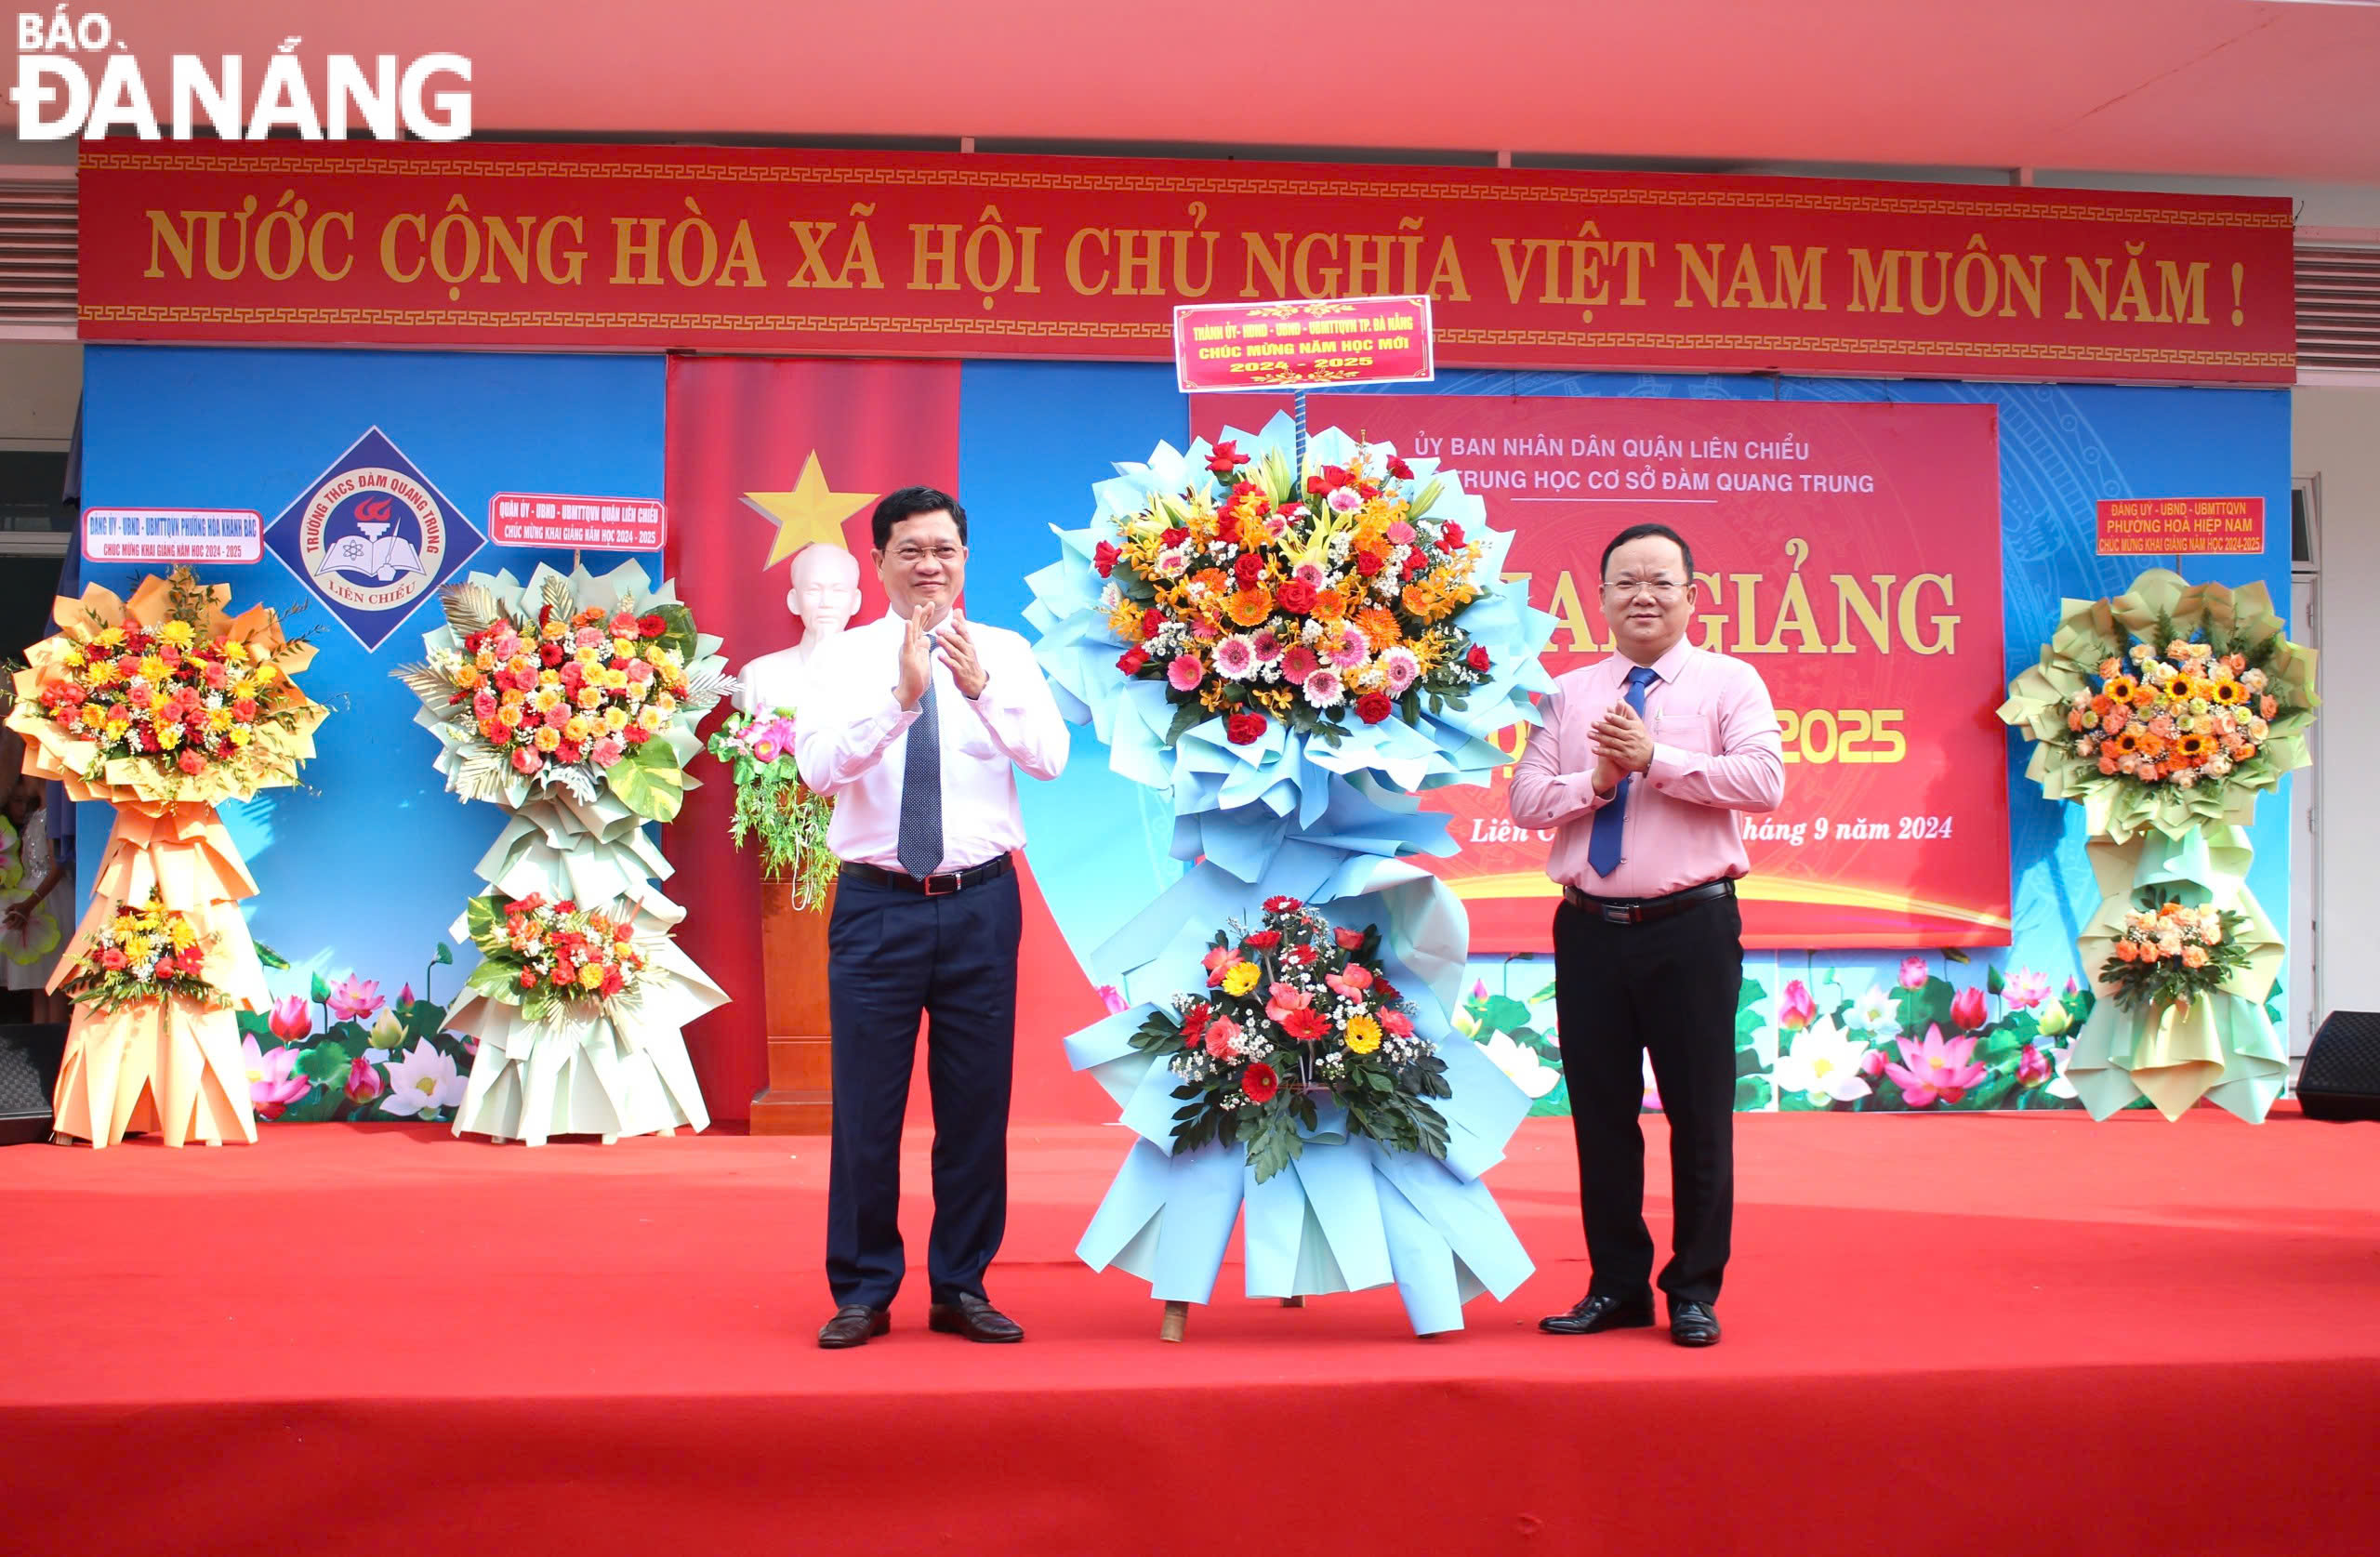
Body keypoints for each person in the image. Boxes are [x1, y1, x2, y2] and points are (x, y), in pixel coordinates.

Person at [793, 485, 1069, 1350]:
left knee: (975, 1108)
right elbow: (814, 769)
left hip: (981, 902)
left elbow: (1051, 759)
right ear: (878, 562)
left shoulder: (1008, 652)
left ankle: (961, 1285)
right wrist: (901, 700)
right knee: (867, 1112)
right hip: (877, 904)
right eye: (909, 549)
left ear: (965, 559)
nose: (928, 565)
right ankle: (865, 1289)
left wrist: (980, 689)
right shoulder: (843, 660)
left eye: (944, 549)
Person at [1508, 522, 1783, 1348]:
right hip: (1590, 930)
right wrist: (1596, 780)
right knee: (1600, 1114)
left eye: (1662, 581)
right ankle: (1616, 1285)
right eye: (1625, 581)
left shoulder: (1731, 683)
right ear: (1599, 599)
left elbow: (1764, 780)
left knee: (1700, 1116)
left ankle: (1693, 1288)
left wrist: (1655, 757)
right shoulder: (1566, 693)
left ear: (1693, 596)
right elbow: (1524, 801)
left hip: (1690, 926)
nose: (1643, 595)